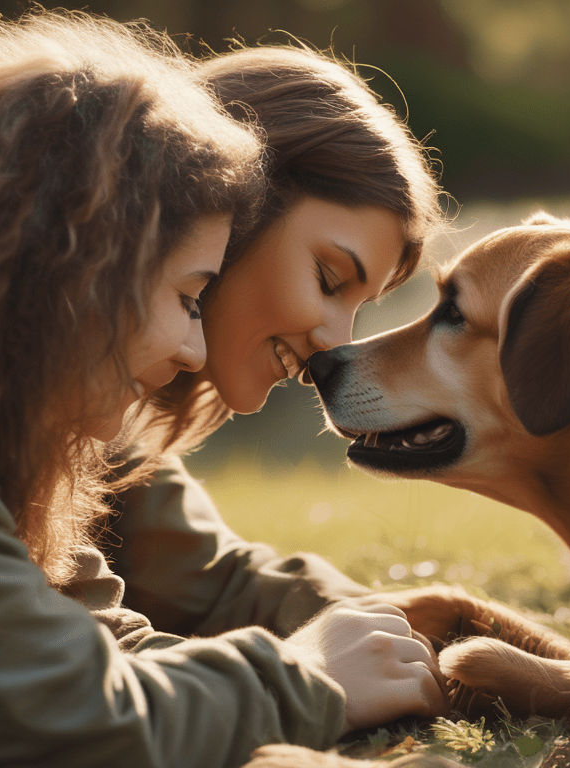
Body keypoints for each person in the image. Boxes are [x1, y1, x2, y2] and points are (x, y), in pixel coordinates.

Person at [0, 11, 445, 768]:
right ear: (77, 265)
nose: (192, 347)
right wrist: (305, 677)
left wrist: (358, 655)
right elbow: (69, 713)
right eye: (190, 297)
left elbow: (80, 644)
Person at [101, 38, 466, 747]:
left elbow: (213, 578)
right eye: (330, 280)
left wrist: (390, 631)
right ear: (223, 202)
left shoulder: (115, 427)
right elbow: (72, 688)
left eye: (359, 306)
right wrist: (308, 671)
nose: (336, 343)